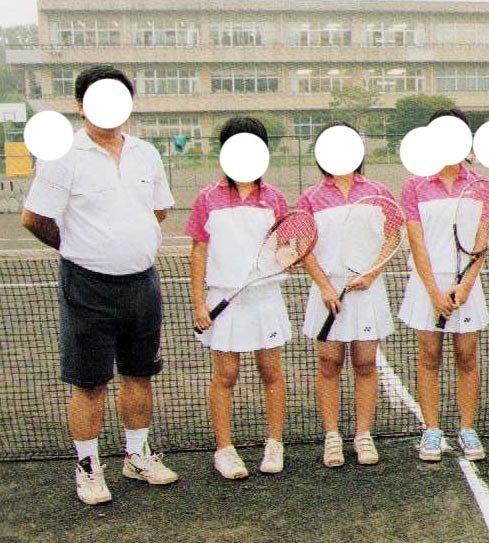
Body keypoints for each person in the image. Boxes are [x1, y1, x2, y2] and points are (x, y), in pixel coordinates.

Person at [20, 65, 178, 505]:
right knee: (89, 382)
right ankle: (88, 467)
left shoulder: (146, 153)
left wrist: (127, 239)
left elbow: (158, 210)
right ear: (80, 105)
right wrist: (78, 246)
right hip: (87, 286)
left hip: (142, 283)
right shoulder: (63, 156)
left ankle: (137, 456)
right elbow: (34, 218)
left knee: (139, 374)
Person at [187, 117, 290, 479]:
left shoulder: (275, 198)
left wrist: (289, 255)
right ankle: (224, 450)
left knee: (271, 371)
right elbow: (199, 251)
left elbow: (285, 246)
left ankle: (275, 443)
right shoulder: (207, 199)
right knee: (226, 374)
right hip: (224, 297)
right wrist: (199, 302)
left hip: (265, 298)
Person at [298, 123, 396, 468]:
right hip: (327, 292)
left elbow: (393, 236)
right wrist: (325, 285)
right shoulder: (310, 198)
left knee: (366, 363)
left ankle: (363, 435)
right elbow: (304, 247)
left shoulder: (378, 191)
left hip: (367, 289)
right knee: (329, 363)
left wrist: (372, 273)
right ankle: (332, 437)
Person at [398, 108, 489, 462]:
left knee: (467, 356)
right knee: (429, 357)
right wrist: (434, 291)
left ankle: (467, 428)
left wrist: (465, 286)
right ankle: (432, 430)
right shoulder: (414, 186)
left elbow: (481, 240)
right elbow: (417, 241)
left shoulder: (479, 185)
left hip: (467, 286)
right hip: (428, 286)